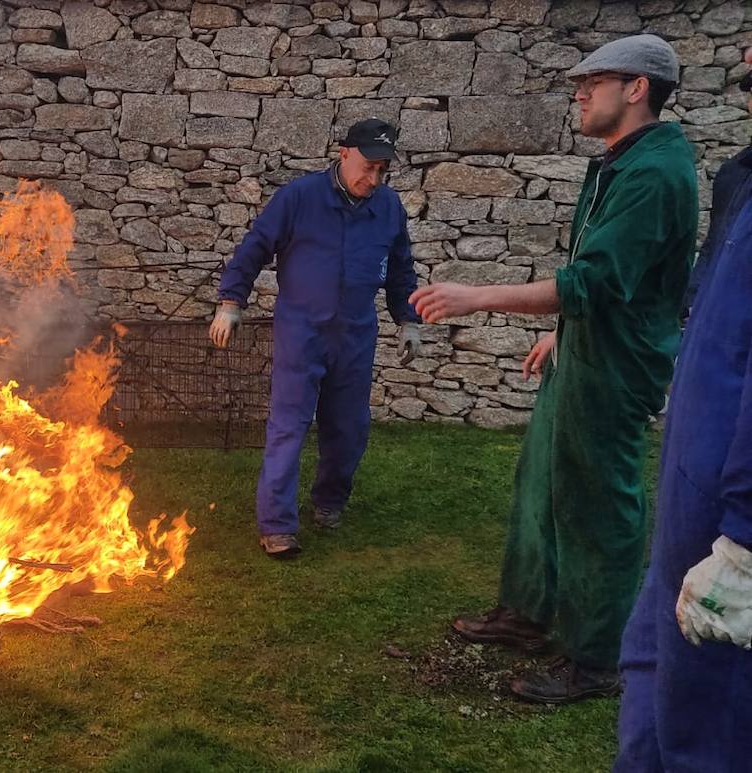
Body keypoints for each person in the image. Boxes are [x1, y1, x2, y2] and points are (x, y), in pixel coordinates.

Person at [409, 34, 697, 703]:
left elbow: (593, 281)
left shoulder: (654, 175)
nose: (578, 92)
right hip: (585, 351)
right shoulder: (622, 162)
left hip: (617, 370)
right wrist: (561, 334)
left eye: (592, 81)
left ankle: (597, 657)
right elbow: (609, 281)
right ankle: (529, 612)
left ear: (637, 89)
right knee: (540, 482)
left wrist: (474, 296)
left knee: (600, 506)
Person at [613, 46, 752, 773]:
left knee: (711, 730)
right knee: (651, 692)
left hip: (731, 534)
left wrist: (744, 542)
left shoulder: (657, 172)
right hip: (688, 508)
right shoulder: (740, 180)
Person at [209, 118, 422, 560]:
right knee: (289, 426)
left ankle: (329, 502)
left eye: (383, 170)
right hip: (302, 331)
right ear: (343, 154)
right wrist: (231, 302)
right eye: (367, 166)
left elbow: (401, 267)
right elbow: (255, 247)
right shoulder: (299, 198)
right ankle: (278, 525)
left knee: (348, 428)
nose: (373, 178)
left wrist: (409, 319)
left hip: (356, 334)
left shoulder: (389, 207)